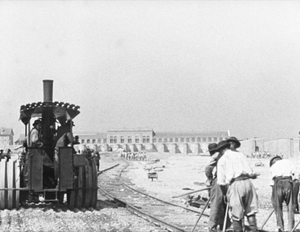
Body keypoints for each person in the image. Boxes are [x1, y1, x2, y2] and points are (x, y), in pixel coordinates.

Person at [217, 140, 259, 232]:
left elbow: (221, 182)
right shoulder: (240, 155)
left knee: (236, 214)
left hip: (236, 184)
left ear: (222, 150)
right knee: (251, 212)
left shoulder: (222, 160)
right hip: (248, 182)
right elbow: (250, 171)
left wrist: (225, 194)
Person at [205, 142, 231, 232]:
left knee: (216, 204)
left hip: (220, 180)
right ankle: (226, 225)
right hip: (231, 180)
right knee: (225, 203)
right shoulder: (230, 154)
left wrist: (210, 178)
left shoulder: (217, 155)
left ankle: (212, 227)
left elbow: (208, 167)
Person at [270, 155, 295, 232]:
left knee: (278, 208)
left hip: (278, 183)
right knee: (291, 207)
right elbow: (294, 175)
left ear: (274, 161)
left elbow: (271, 183)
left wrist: (274, 199)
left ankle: (280, 227)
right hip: (289, 182)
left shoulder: (273, 166)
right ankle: (291, 228)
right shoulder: (288, 162)